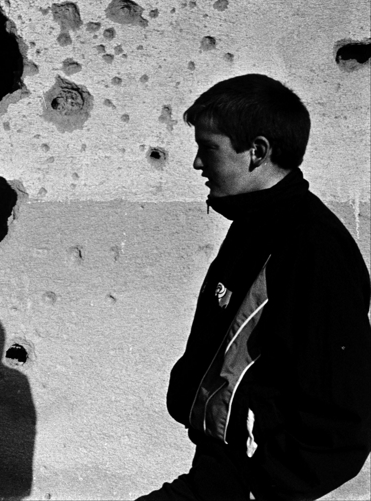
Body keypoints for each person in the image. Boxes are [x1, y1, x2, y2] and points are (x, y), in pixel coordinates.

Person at [139, 74, 371, 500]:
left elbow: (340, 419)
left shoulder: (314, 250)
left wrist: (264, 484)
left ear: (257, 152)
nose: (196, 163)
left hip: (248, 484)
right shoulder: (254, 225)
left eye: (208, 147)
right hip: (222, 467)